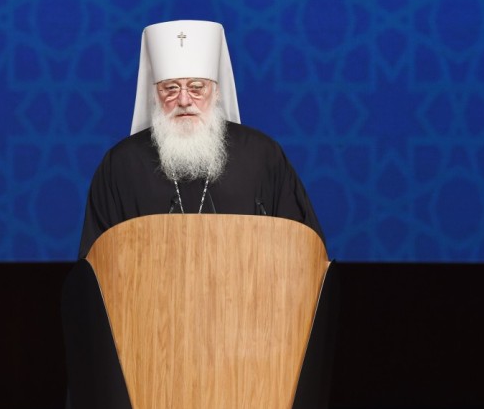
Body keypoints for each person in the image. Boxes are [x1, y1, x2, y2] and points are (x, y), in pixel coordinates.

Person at [78, 20, 324, 259]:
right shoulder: (121, 164)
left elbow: (302, 249)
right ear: (154, 94)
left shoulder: (261, 155)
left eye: (196, 87)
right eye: (171, 88)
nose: (184, 101)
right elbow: (97, 261)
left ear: (216, 92)